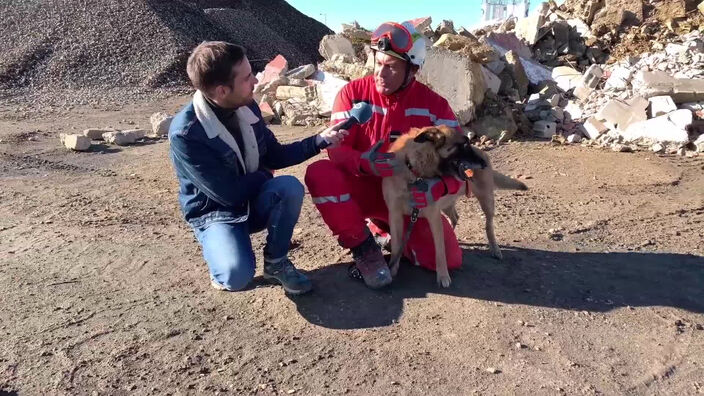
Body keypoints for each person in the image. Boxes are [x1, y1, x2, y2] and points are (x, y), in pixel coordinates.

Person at [169, 41, 348, 295]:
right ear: (221, 91)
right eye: (246, 77)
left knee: (288, 187)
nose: (255, 81)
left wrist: (319, 140)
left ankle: (276, 263)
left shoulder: (246, 105)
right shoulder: (186, 133)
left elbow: (274, 155)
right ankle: (221, 252)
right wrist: (264, 174)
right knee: (235, 276)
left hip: (251, 201)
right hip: (216, 212)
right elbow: (228, 195)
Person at [304, 21, 465, 289]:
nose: (380, 73)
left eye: (390, 67)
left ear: (412, 70)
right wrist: (364, 163)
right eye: (378, 63)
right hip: (363, 188)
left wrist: (440, 186)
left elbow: (462, 163)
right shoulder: (353, 94)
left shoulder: (435, 107)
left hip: (407, 199)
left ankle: (386, 230)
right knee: (321, 173)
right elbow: (337, 149)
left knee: (450, 260)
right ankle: (364, 247)